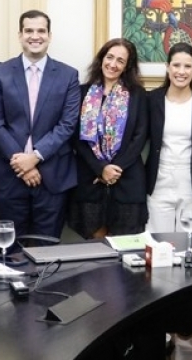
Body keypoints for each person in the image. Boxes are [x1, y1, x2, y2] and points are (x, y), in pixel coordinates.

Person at [0, 10, 80, 239]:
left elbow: (67, 124)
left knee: (47, 251)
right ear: (20, 35)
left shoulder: (68, 75)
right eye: (29, 31)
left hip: (52, 177)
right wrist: (21, 163)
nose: (35, 36)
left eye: (41, 31)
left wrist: (35, 157)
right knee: (12, 250)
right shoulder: (0, 73)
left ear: (49, 35)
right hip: (9, 175)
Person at [69, 39, 149, 238]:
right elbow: (76, 138)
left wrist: (114, 168)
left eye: (120, 61)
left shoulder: (137, 95)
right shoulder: (82, 92)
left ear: (127, 66)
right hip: (91, 180)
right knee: (96, 247)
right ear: (102, 58)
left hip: (127, 181)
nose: (113, 64)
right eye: (110, 57)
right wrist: (100, 168)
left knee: (126, 250)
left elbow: (140, 137)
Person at [145, 43, 192, 233]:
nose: (181, 72)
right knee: (159, 244)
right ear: (167, 67)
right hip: (159, 182)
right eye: (176, 65)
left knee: (191, 248)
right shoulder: (152, 99)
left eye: (187, 66)